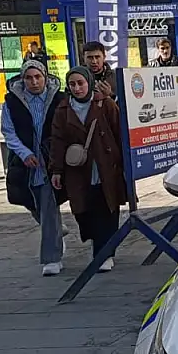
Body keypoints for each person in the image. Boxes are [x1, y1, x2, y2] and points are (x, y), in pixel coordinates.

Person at [50, 67, 126, 273]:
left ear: (89, 83)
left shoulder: (105, 104)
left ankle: (104, 253)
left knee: (107, 209)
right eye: (72, 84)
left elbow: (120, 133)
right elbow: (57, 141)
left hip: (105, 166)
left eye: (80, 83)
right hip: (78, 169)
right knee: (82, 211)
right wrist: (56, 170)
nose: (77, 88)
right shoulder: (63, 109)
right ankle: (98, 242)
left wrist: (126, 165)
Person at [2, 60, 67, 276]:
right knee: (30, 201)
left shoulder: (58, 99)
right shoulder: (12, 102)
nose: (34, 82)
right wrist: (24, 153)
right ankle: (55, 233)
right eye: (29, 78)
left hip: (50, 161)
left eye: (38, 77)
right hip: (25, 162)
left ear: (45, 77)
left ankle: (52, 258)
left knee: (48, 206)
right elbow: (8, 132)